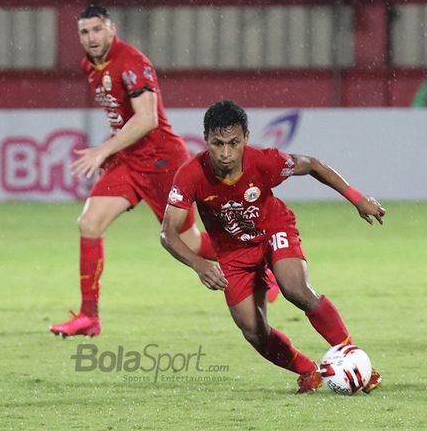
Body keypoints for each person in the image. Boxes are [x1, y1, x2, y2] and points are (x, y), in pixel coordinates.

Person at [49, 7, 278, 338]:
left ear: (111, 29)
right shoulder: (90, 65)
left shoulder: (132, 63)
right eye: (85, 33)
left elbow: (147, 119)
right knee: (89, 223)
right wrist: (113, 152)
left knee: (191, 241)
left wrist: (103, 150)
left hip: (161, 162)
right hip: (128, 162)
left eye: (97, 30)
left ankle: (262, 267)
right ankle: (89, 317)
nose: (92, 38)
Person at [160, 100, 385, 393]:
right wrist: (198, 263)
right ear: (206, 140)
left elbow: (312, 164)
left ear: (246, 139)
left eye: (234, 143)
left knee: (296, 288)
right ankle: (309, 371)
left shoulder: (264, 161)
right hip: (233, 253)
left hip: (273, 230)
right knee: (253, 330)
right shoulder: (191, 174)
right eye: (217, 144)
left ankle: (354, 361)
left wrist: (357, 198)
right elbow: (168, 234)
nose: (226, 153)